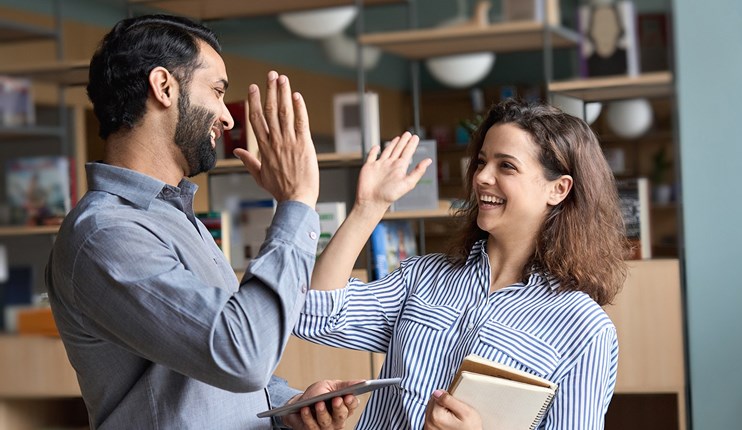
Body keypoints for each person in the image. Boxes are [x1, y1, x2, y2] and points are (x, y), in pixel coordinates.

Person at [45, 14, 361, 430]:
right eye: (216, 91)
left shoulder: (174, 215)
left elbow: (213, 365)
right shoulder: (105, 234)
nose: (227, 118)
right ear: (163, 87)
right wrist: (297, 202)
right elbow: (241, 355)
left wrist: (289, 405)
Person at [293, 99, 630, 429]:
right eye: (481, 162)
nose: (482, 177)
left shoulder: (585, 329)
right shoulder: (423, 277)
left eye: (506, 166)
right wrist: (369, 207)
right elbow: (314, 314)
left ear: (558, 188)